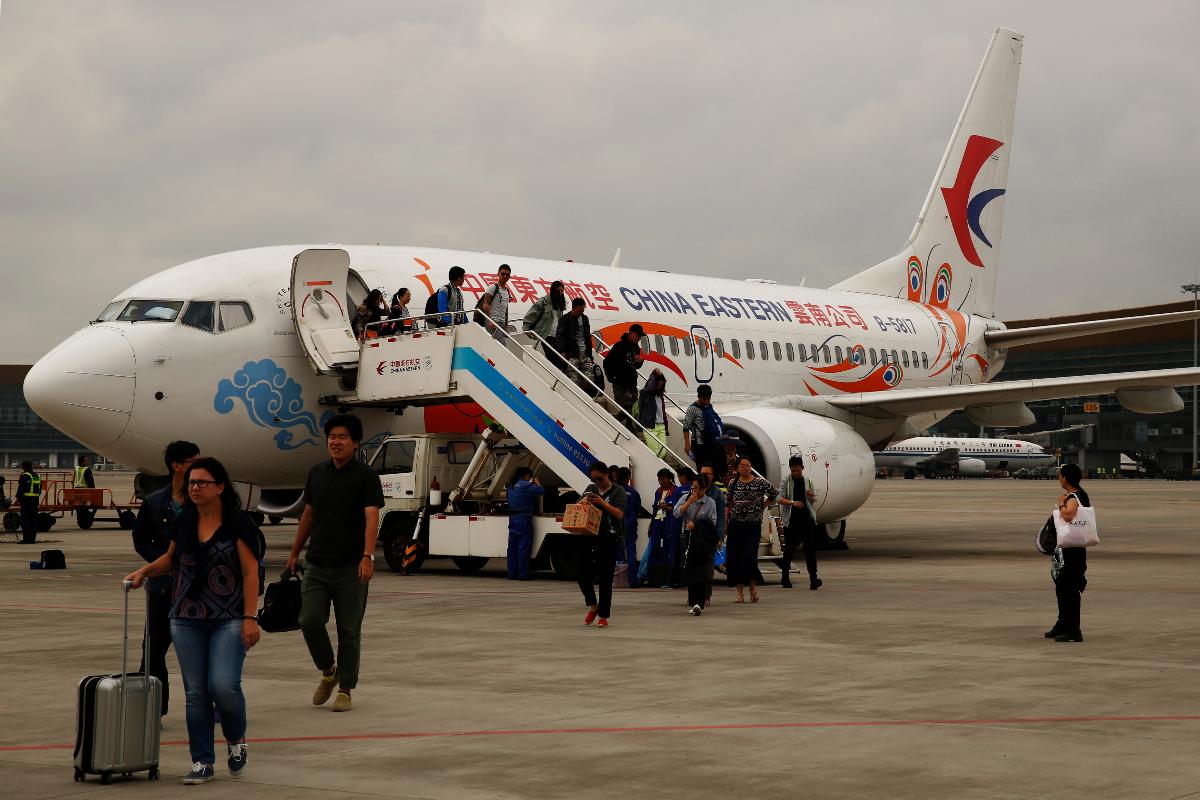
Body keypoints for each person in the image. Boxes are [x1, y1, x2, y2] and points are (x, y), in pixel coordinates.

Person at [123, 457, 262, 785]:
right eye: (192, 483)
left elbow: (250, 572)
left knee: (224, 687)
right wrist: (144, 571)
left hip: (229, 617)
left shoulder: (238, 523)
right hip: (186, 618)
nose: (195, 488)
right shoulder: (185, 521)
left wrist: (250, 616)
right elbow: (170, 559)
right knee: (196, 692)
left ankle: (236, 739)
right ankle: (202, 761)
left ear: (220, 487)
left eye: (202, 482)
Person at [286, 414, 384, 713]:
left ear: (355, 443)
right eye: (332, 437)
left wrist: (367, 556)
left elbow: (371, 517)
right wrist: (294, 552)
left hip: (351, 566)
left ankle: (345, 689)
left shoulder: (366, 476)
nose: (336, 442)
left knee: (349, 630)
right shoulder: (317, 472)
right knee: (309, 620)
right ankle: (329, 671)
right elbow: (308, 514)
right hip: (317, 562)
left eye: (343, 437)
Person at [131, 440, 200, 716]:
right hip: (163, 586)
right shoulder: (154, 502)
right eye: (194, 462)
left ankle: (211, 700)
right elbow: (140, 539)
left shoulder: (203, 500)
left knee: (200, 648)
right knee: (153, 648)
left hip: (197, 587)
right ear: (177, 466)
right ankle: (153, 708)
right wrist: (163, 563)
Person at [576, 462, 626, 628]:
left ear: (607, 475)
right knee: (582, 573)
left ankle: (603, 615)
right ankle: (593, 605)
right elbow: (577, 507)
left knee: (605, 578)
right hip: (589, 535)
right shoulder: (591, 488)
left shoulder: (618, 491)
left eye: (600, 479)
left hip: (609, 537)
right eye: (594, 479)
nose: (597, 482)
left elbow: (619, 514)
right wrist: (584, 501)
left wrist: (603, 503)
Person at [725, 456, 777, 604]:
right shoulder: (733, 483)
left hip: (752, 525)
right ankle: (739, 592)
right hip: (736, 525)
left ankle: (752, 587)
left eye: (748, 465)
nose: (745, 468)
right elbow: (728, 503)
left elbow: (774, 493)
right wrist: (725, 523)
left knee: (749, 557)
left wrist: (763, 505)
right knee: (735, 558)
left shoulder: (760, 482)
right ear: (737, 468)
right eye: (742, 465)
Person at [1048, 463, 1090, 643]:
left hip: (1072, 550)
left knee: (1069, 589)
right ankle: (1063, 623)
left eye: (1060, 475)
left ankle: (1073, 630)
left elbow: (1068, 515)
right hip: (1071, 547)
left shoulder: (1073, 496)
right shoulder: (1080, 494)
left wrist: (1061, 503)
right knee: (1062, 587)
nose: (1059, 478)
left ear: (1065, 478)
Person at [674, 473, 720, 616]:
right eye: (694, 488)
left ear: (705, 488)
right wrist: (688, 503)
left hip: (702, 542)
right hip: (688, 539)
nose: (696, 491)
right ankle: (693, 601)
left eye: (700, 489)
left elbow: (712, 524)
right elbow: (676, 513)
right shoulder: (685, 498)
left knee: (702, 571)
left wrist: (696, 525)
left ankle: (700, 602)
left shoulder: (710, 503)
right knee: (688, 569)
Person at [776, 456, 821, 590]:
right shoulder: (786, 481)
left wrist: (812, 496)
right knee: (789, 550)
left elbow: (812, 501)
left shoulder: (808, 481)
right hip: (792, 520)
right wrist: (792, 503)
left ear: (802, 468)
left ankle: (813, 578)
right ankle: (785, 578)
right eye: (793, 471)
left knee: (810, 550)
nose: (795, 473)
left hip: (806, 519)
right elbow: (778, 497)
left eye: (798, 470)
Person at [637, 469, 676, 586]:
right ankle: (645, 576)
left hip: (668, 522)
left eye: (663, 479)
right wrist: (651, 523)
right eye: (659, 480)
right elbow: (655, 509)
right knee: (652, 548)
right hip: (657, 522)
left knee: (667, 550)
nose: (661, 482)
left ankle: (666, 578)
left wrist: (667, 507)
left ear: (669, 478)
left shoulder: (676, 490)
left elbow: (677, 508)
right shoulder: (658, 491)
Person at [603, 324, 645, 431]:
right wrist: (611, 378)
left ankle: (630, 431)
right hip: (621, 385)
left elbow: (635, 366)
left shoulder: (636, 348)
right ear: (632, 333)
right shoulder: (620, 346)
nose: (639, 338)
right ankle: (613, 422)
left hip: (632, 384)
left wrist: (640, 362)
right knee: (628, 410)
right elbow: (607, 362)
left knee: (634, 411)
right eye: (638, 336)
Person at [505, 467, 543, 580]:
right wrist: (537, 482)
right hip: (523, 518)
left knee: (512, 548)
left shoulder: (511, 486)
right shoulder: (525, 485)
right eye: (529, 477)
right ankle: (523, 574)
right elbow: (541, 491)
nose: (529, 479)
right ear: (526, 475)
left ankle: (512, 573)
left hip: (512, 518)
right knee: (523, 547)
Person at [556, 297, 597, 394]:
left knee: (589, 380)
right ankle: (573, 395)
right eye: (579, 311)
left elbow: (587, 337)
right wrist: (562, 351)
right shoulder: (565, 319)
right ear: (573, 308)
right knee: (572, 379)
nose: (581, 313)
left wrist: (590, 355)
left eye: (582, 311)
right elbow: (560, 336)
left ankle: (582, 394)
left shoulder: (585, 319)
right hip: (572, 353)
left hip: (585, 353)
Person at [699, 463, 727, 602]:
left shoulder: (718, 493)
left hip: (710, 534)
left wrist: (720, 537)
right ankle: (695, 595)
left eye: (707, 473)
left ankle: (706, 596)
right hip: (695, 533)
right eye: (702, 473)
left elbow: (721, 516)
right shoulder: (694, 490)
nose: (704, 476)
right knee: (694, 567)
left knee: (708, 568)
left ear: (713, 476)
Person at [682, 385, 723, 472]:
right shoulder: (692, 409)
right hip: (698, 444)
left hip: (711, 442)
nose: (706, 401)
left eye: (708, 398)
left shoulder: (709, 406)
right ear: (698, 396)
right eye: (704, 399)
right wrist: (687, 443)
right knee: (701, 468)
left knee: (713, 468)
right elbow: (686, 427)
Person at [616, 467, 642, 587]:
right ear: (628, 477)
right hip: (630, 523)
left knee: (618, 550)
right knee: (631, 551)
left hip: (617, 523)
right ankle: (633, 580)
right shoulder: (633, 492)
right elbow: (638, 509)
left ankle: (617, 579)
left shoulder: (614, 491)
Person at [522, 280, 566, 349]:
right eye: (559, 290)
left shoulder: (559, 304)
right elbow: (532, 314)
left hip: (556, 336)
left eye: (562, 291)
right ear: (554, 290)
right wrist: (526, 328)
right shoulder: (544, 301)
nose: (560, 293)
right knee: (551, 353)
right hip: (546, 335)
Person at [637, 368, 671, 456]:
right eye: (658, 384)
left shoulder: (660, 396)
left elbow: (663, 413)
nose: (659, 386)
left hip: (661, 427)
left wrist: (666, 427)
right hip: (650, 427)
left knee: (662, 452)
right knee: (655, 452)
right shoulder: (645, 394)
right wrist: (654, 375)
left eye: (661, 385)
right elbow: (650, 388)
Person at [478, 263, 512, 341]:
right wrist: (490, 321)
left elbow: (505, 309)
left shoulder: (506, 291)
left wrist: (506, 326)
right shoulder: (493, 287)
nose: (505, 276)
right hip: (494, 321)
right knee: (501, 344)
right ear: (498, 274)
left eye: (507, 275)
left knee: (498, 344)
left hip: (501, 322)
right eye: (503, 274)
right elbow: (485, 305)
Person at [17, 460, 41, 544]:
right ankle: (32, 539)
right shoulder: (37, 476)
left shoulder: (25, 476)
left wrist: (18, 499)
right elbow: (39, 489)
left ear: (24, 467)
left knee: (25, 520)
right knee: (33, 520)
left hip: (26, 501)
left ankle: (26, 539)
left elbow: (21, 489)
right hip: (35, 501)